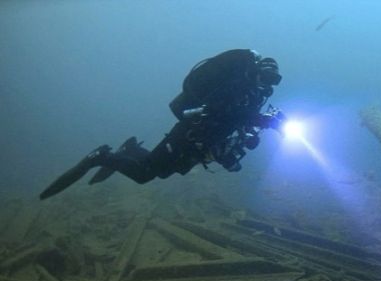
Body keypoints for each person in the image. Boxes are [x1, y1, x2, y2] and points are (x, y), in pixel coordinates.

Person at [39, 49, 285, 200]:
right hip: (188, 136)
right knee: (145, 174)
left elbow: (237, 126)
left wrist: (234, 150)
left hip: (199, 146)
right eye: (265, 76)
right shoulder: (234, 89)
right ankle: (100, 156)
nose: (267, 84)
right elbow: (225, 112)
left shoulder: (251, 98)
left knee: (162, 172)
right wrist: (264, 120)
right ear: (254, 71)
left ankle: (130, 149)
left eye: (274, 80)